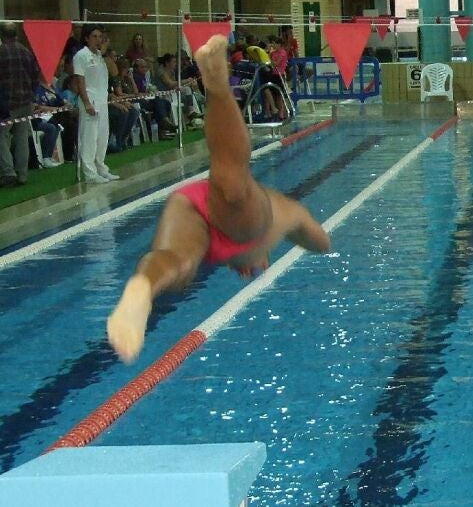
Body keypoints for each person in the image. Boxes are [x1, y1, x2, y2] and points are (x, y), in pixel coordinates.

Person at [106, 35, 331, 364]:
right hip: (235, 219)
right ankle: (217, 85)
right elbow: (320, 242)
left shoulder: (276, 219)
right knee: (233, 182)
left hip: (191, 202)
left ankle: (143, 286)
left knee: (177, 261)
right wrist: (304, 239)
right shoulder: (282, 214)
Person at [73, 25, 120, 184]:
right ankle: (90, 174)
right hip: (90, 99)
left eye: (100, 36)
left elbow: (114, 72)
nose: (98, 39)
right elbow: (80, 81)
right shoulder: (81, 56)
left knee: (102, 136)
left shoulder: (100, 56)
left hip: (102, 99)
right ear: (86, 38)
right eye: (94, 36)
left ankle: (101, 168)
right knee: (89, 138)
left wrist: (105, 52)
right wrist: (86, 102)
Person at [0, 22, 45, 186]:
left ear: (2, 35)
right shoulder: (26, 52)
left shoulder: (1, 52)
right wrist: (31, 94)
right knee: (22, 138)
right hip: (25, 102)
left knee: (1, 136)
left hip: (7, 103)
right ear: (16, 34)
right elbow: (36, 77)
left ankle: (8, 172)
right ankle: (22, 175)